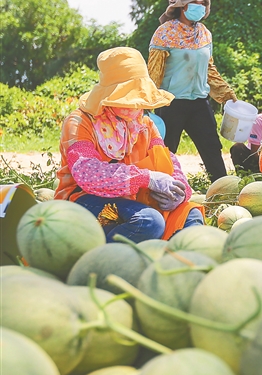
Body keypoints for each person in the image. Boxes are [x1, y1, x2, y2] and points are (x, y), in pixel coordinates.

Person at [54, 47, 204, 243]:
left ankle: (171, 255)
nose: (135, 106)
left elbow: (167, 160)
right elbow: (87, 174)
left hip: (134, 201)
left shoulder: (146, 124)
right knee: (149, 222)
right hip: (83, 202)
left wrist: (178, 191)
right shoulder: (79, 122)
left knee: (191, 215)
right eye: (127, 98)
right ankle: (94, 253)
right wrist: (147, 178)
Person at [147, 0, 236, 182]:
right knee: (166, 151)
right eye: (196, 2)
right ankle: (161, 190)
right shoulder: (164, 33)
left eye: (203, 2)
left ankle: (222, 190)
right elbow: (154, 72)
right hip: (171, 103)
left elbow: (209, 69)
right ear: (182, 6)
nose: (200, 6)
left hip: (199, 102)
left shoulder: (204, 33)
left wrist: (226, 94)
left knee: (211, 147)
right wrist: (147, 102)